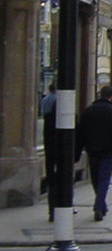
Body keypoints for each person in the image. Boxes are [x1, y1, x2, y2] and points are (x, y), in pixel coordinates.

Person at [77, 85, 112, 221]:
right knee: (104, 178)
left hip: (92, 149)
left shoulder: (88, 111)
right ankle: (99, 206)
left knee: (95, 178)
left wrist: (78, 150)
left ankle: (101, 205)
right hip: (108, 150)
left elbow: (81, 132)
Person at [40, 84, 57, 221]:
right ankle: (62, 206)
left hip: (50, 152)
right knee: (65, 181)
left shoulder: (45, 100)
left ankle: (52, 209)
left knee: (52, 181)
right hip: (63, 154)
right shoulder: (69, 118)